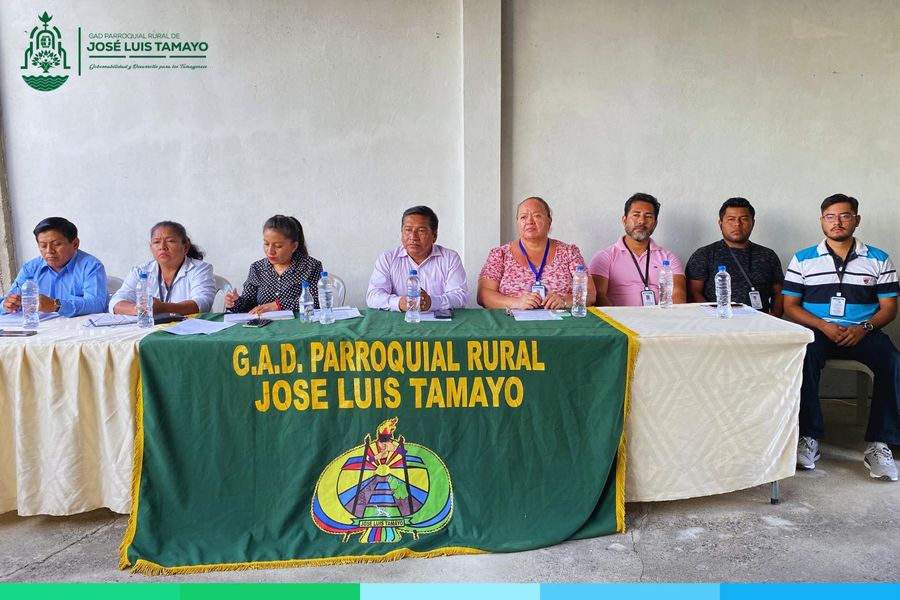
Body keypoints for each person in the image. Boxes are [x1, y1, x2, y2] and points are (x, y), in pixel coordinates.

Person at [783, 194, 899, 481]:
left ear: (856, 220)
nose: (837, 222)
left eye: (845, 216)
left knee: (892, 360)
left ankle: (879, 443)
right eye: (830, 217)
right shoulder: (803, 259)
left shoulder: (879, 259)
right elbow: (790, 306)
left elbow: (889, 308)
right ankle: (808, 437)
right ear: (822, 221)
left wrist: (864, 328)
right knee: (803, 355)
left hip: (864, 331)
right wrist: (823, 326)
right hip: (819, 331)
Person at [477, 196, 595, 310]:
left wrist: (565, 300)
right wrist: (516, 303)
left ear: (549, 221)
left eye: (537, 216)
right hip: (512, 321)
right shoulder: (500, 255)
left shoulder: (569, 253)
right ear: (517, 222)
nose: (529, 221)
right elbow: (483, 295)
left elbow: (590, 294)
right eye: (523, 217)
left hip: (562, 320)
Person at [685, 197, 784, 316]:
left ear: (753, 223)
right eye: (731, 219)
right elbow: (693, 292)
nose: (737, 224)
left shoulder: (768, 255)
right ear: (720, 223)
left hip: (759, 322)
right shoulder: (704, 254)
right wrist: (714, 316)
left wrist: (774, 318)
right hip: (718, 320)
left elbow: (779, 292)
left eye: (744, 219)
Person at [590, 193, 685, 307]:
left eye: (648, 216)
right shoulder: (604, 257)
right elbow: (599, 296)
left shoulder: (668, 258)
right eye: (636, 215)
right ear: (624, 220)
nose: (641, 221)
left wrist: (668, 316)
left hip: (659, 316)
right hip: (618, 317)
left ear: (655, 223)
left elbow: (678, 293)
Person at [366, 205, 468, 312]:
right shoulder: (387, 259)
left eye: (421, 231)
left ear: (434, 236)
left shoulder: (450, 258)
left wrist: (432, 302)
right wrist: (399, 303)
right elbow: (373, 296)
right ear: (402, 233)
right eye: (408, 230)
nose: (413, 237)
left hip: (440, 321)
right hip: (401, 319)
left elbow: (460, 296)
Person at [1, 217, 107, 317]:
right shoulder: (30, 268)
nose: (49, 251)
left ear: (75, 244)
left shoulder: (91, 266)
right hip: (39, 326)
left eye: (56, 244)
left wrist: (56, 305)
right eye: (43, 245)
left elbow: (97, 304)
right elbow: (6, 300)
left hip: (77, 327)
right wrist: (7, 305)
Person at [109, 221, 216, 316]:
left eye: (170, 241)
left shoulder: (200, 269)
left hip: (191, 329)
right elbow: (116, 302)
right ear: (151, 248)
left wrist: (163, 308)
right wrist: (138, 309)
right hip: (150, 328)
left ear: (185, 247)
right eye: (156, 242)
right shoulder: (140, 271)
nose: (162, 247)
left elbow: (202, 303)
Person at [226, 215, 323, 315]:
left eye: (278, 246)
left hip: (300, 322)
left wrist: (279, 305)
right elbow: (249, 306)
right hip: (265, 323)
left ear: (294, 246)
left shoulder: (311, 266)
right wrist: (236, 302)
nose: (270, 251)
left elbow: (318, 302)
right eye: (266, 244)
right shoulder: (257, 268)